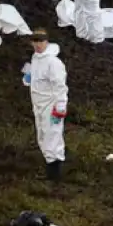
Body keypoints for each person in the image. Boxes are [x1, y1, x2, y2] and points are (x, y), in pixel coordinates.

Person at [26, 29, 68, 182]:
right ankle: (50, 165)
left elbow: (60, 86)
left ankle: (54, 174)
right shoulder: (36, 58)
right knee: (43, 135)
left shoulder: (53, 62)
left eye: (41, 41)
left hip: (51, 105)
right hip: (38, 104)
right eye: (35, 41)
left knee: (53, 134)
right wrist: (29, 77)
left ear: (46, 42)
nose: (38, 45)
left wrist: (60, 105)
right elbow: (36, 78)